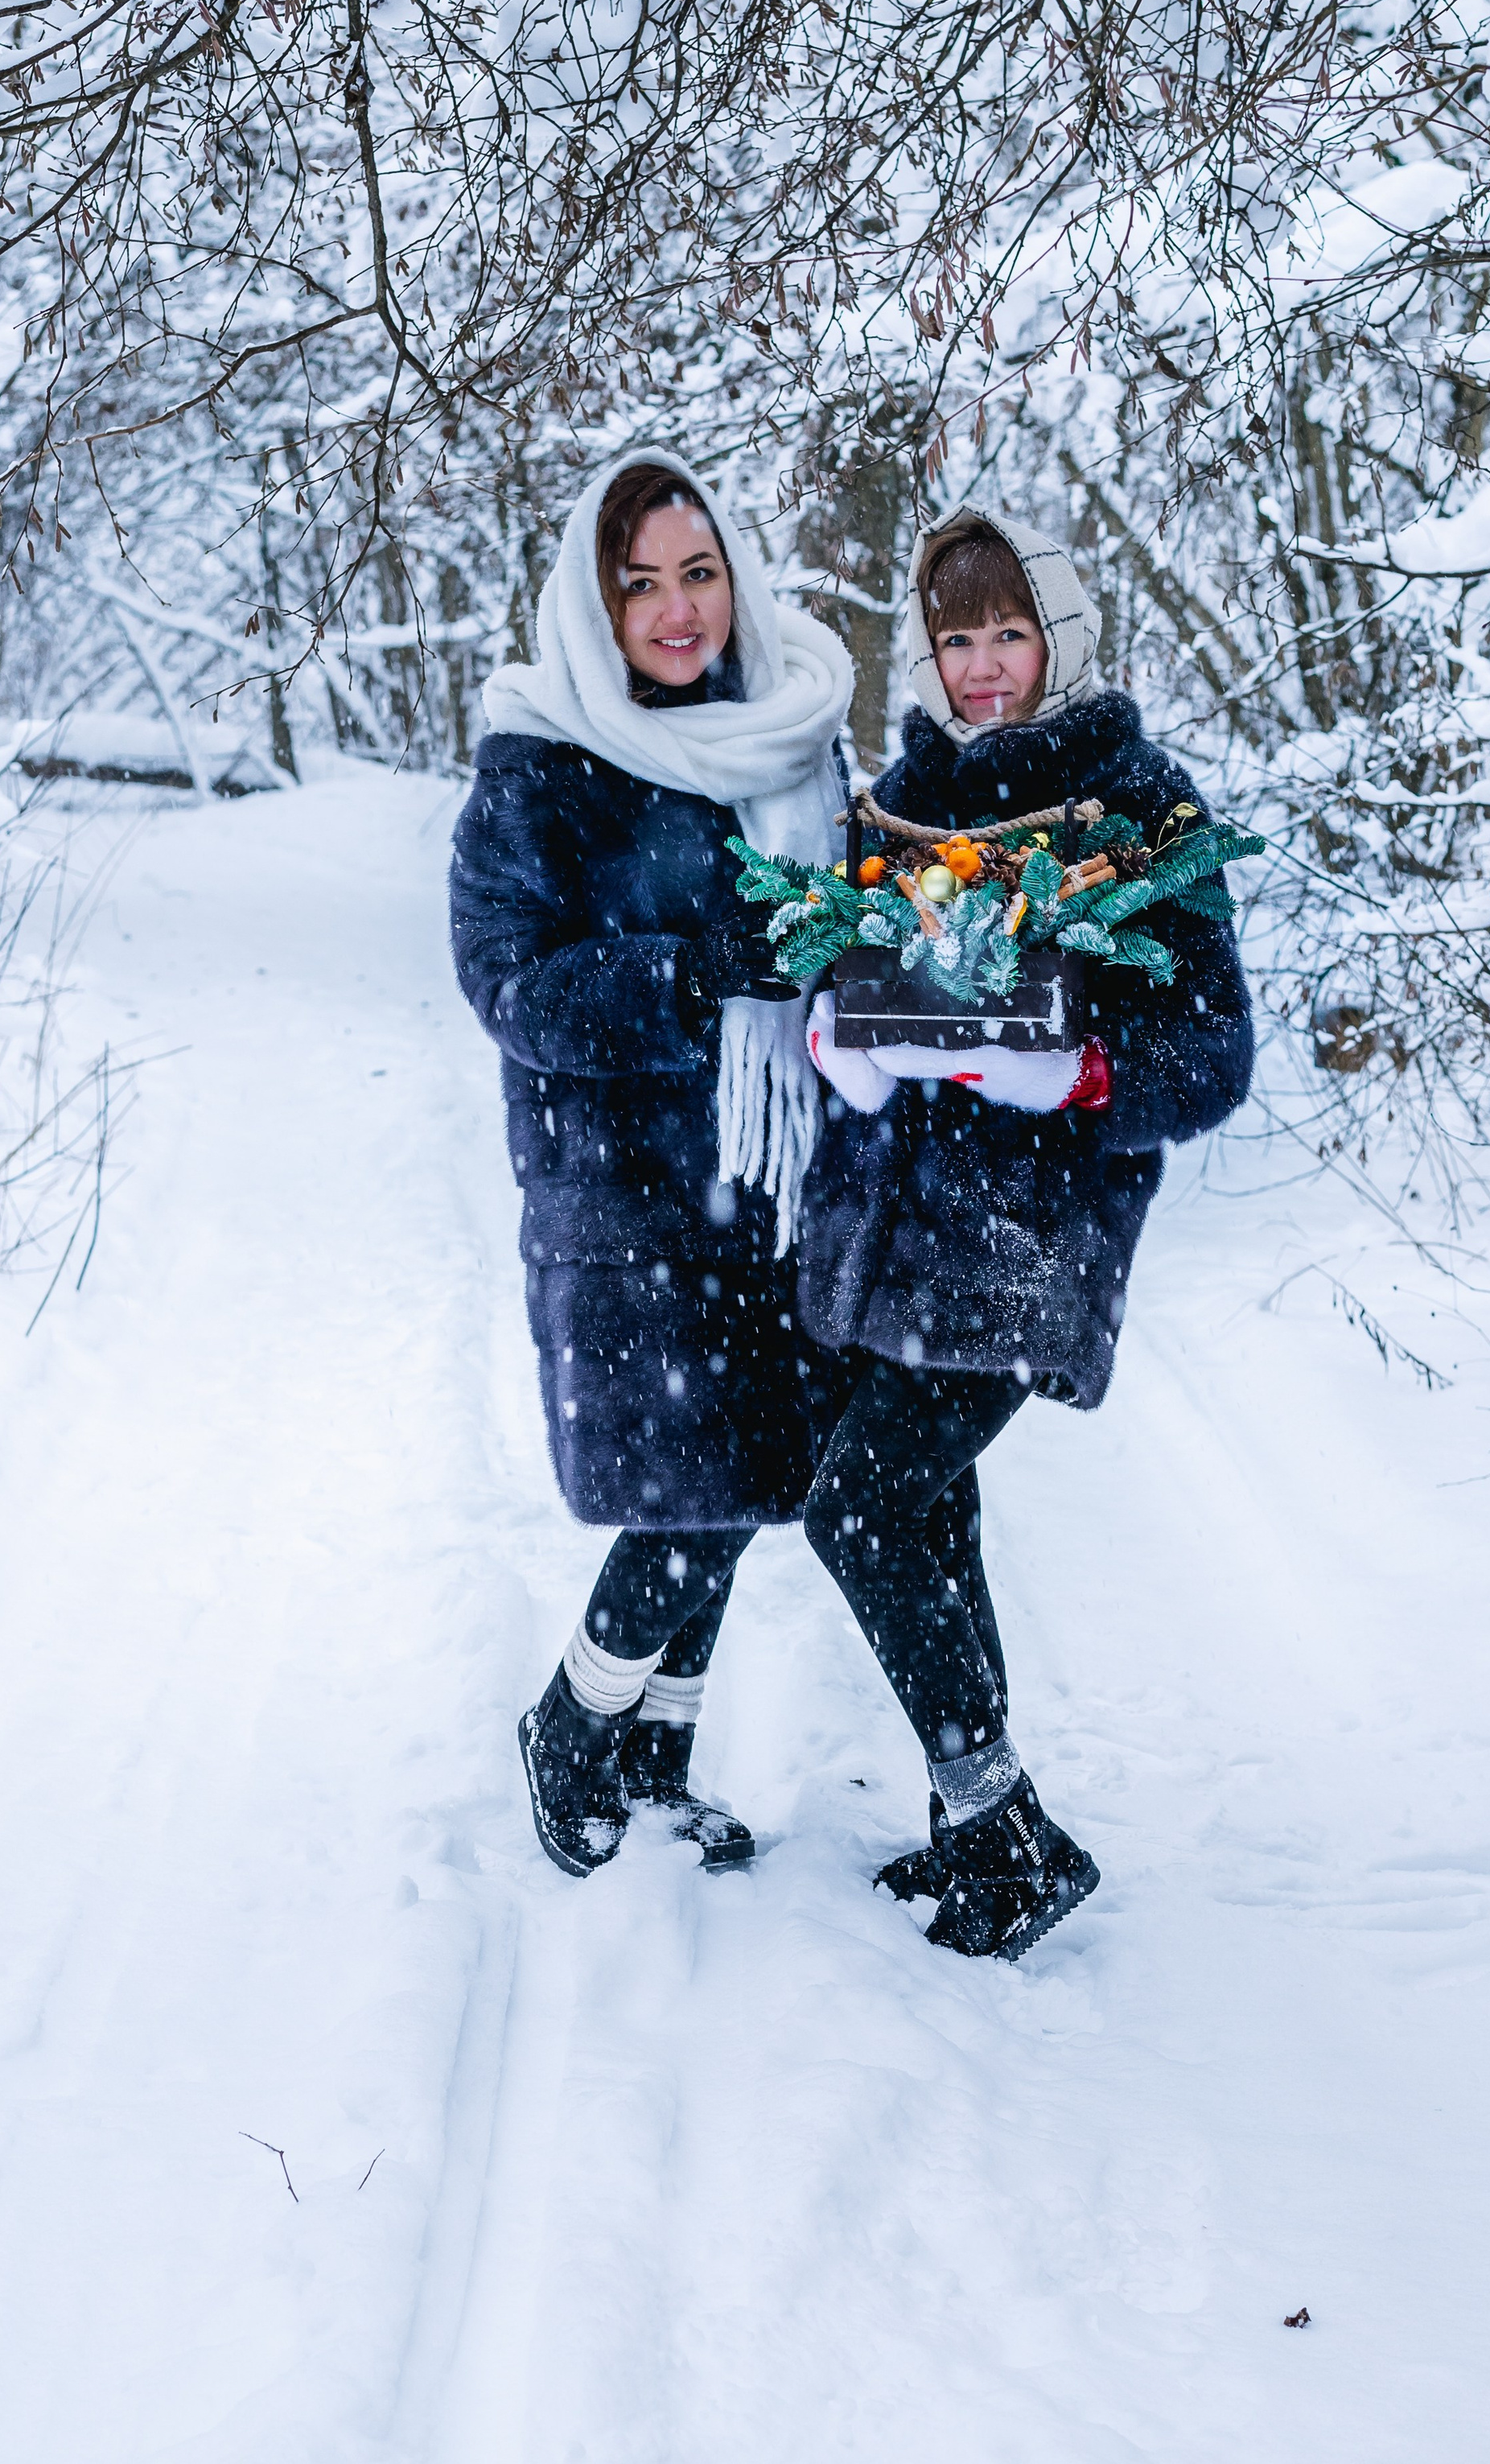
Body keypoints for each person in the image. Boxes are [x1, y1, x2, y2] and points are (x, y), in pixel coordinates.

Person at [795, 508, 1254, 1961]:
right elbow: (852, 958)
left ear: (1057, 636)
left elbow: (1219, 1047)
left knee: (855, 1506)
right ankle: (970, 1835)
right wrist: (846, 1044)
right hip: (896, 1220)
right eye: (955, 638)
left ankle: (1008, 1828)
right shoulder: (906, 797)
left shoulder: (1136, 804)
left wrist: (1091, 1073)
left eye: (1007, 633)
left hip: (1024, 1233)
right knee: (927, 1511)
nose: (982, 667)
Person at [450, 452, 853, 1878]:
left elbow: (852, 907)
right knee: (689, 1499)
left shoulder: (795, 727)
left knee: (742, 1487)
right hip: (621, 1190)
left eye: (699, 572)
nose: (678, 610)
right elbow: (509, 980)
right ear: (595, 602)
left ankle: (654, 1757)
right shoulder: (543, 752)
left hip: (776, 1174)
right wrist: (693, 975)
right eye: (642, 584)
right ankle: (572, 1725)